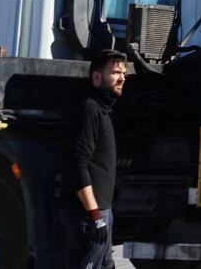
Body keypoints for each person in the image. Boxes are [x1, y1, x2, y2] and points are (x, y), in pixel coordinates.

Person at [65, 50, 126, 269]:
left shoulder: (103, 112)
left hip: (103, 211)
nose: (122, 78)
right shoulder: (89, 110)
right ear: (97, 77)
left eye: (123, 73)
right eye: (115, 72)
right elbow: (77, 163)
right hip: (89, 214)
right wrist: (94, 214)